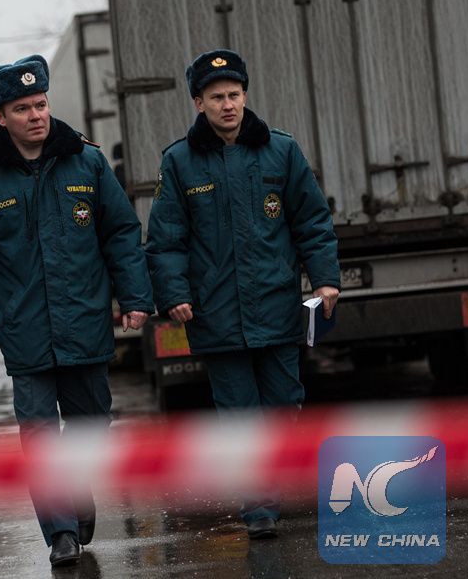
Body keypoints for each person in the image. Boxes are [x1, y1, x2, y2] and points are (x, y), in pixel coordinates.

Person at [0, 54, 154, 567]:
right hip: (26, 332)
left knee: (91, 424)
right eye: (22, 108)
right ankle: (60, 532)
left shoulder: (87, 163)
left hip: (85, 323)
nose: (36, 115)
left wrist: (135, 298)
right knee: (39, 437)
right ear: (1, 117)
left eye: (40, 104)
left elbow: (121, 234)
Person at [145, 49, 341, 539]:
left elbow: (311, 221)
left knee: (284, 406)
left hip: (275, 306)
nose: (227, 105)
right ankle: (260, 509)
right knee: (239, 415)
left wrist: (325, 279)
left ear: (245, 96)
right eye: (216, 98)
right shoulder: (179, 161)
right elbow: (166, 239)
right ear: (199, 103)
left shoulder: (281, 151)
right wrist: (174, 293)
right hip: (217, 314)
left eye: (234, 95)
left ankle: (274, 484)